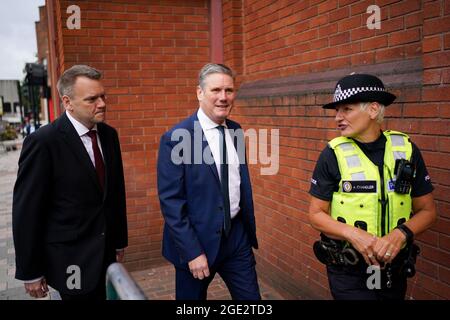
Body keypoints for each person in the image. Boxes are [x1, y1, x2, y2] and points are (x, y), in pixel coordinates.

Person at [308, 73, 436, 300]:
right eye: (337, 111)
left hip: (391, 269)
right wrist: (354, 234)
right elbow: (316, 214)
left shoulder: (406, 150)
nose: (338, 117)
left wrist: (401, 234)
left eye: (346, 109)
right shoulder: (332, 154)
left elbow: (427, 211)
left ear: (373, 109)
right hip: (349, 271)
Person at [12, 65, 128, 300]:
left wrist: (118, 242)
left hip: (106, 255)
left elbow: (115, 193)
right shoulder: (43, 143)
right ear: (68, 102)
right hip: (70, 259)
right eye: (92, 99)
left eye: (103, 96)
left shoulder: (109, 135)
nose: (102, 103)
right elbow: (27, 211)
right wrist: (30, 271)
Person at [157, 63, 260, 300]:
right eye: (216, 90)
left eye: (229, 91)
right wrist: (192, 252)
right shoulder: (176, 138)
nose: (223, 97)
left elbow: (238, 184)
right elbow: (171, 202)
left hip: (236, 238)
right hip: (196, 242)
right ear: (199, 93)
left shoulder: (235, 130)